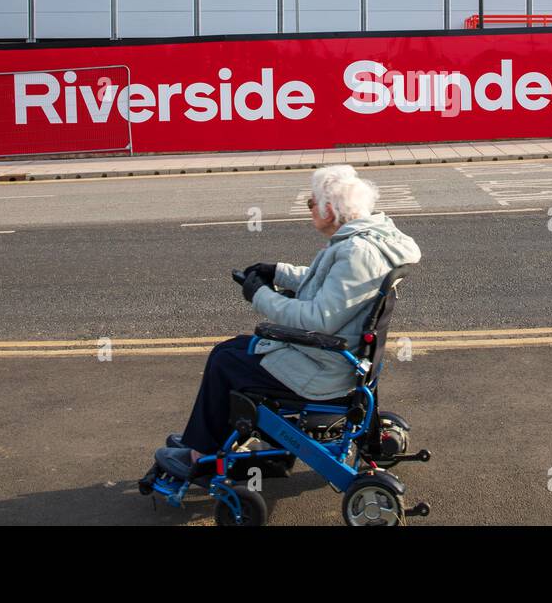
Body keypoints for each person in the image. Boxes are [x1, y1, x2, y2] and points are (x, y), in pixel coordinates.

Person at [169, 165, 421, 469]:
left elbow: (319, 318)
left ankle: (202, 456)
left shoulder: (356, 253)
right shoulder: (362, 240)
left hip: (324, 370)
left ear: (329, 210)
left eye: (310, 203)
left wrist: (261, 296)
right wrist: (276, 272)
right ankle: (204, 440)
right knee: (230, 349)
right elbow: (325, 283)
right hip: (332, 359)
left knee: (225, 363)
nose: (309, 209)